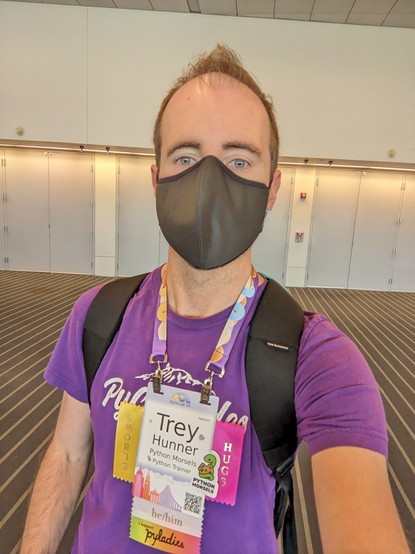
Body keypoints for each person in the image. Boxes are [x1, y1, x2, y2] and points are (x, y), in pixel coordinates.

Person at [21, 44, 409, 554]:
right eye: (186, 156)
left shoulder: (315, 357)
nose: (210, 181)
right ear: (156, 180)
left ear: (271, 190)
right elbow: (69, 456)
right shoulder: (98, 315)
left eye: (238, 159)